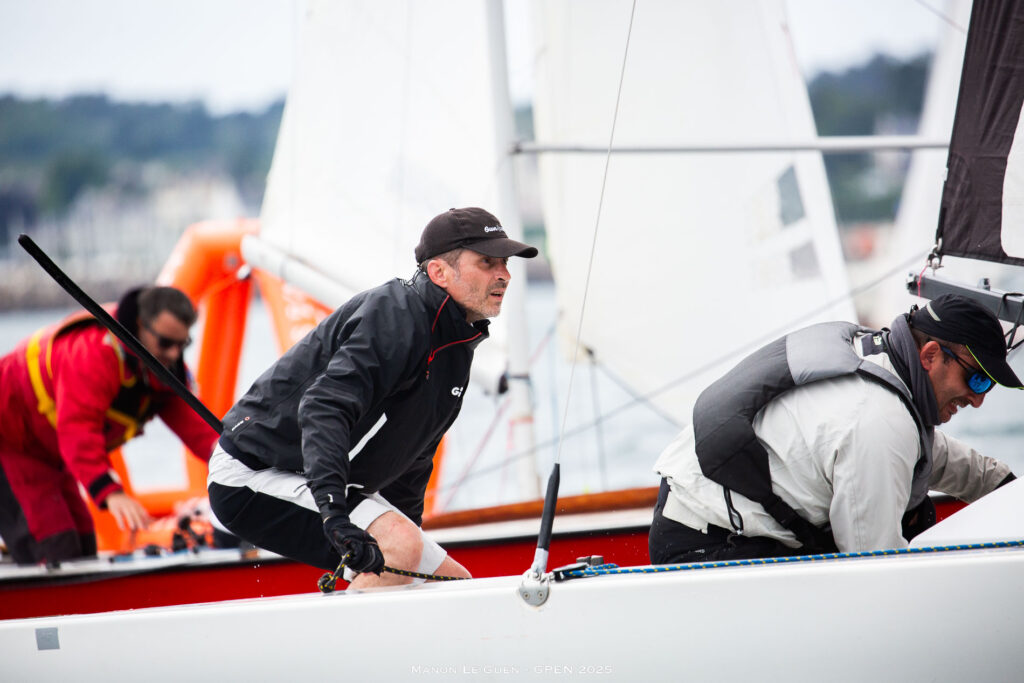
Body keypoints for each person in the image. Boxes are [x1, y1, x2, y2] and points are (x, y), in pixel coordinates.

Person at [208, 207, 537, 588]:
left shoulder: (458, 342)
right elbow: (323, 408)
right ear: (439, 272)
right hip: (253, 473)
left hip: (313, 478)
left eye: (505, 263)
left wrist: (409, 528)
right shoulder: (393, 316)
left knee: (452, 585)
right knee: (398, 546)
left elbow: (414, 454)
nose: (504, 274)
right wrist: (334, 514)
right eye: (487, 262)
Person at [649, 294, 1020, 564]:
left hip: (691, 513)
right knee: (912, 519)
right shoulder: (879, 419)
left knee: (912, 501)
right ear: (930, 356)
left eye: (988, 386)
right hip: (707, 541)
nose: (978, 399)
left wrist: (1008, 490)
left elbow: (933, 454)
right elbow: (874, 565)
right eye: (977, 379)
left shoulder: (881, 365)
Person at [0, 286, 218, 565]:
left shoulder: (161, 369)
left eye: (183, 344)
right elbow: (78, 430)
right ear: (140, 325)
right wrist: (111, 493)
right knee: (55, 547)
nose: (175, 354)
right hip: (10, 441)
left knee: (83, 542)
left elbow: (199, 431)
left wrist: (237, 460)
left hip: (47, 453)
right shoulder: (93, 354)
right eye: (166, 343)